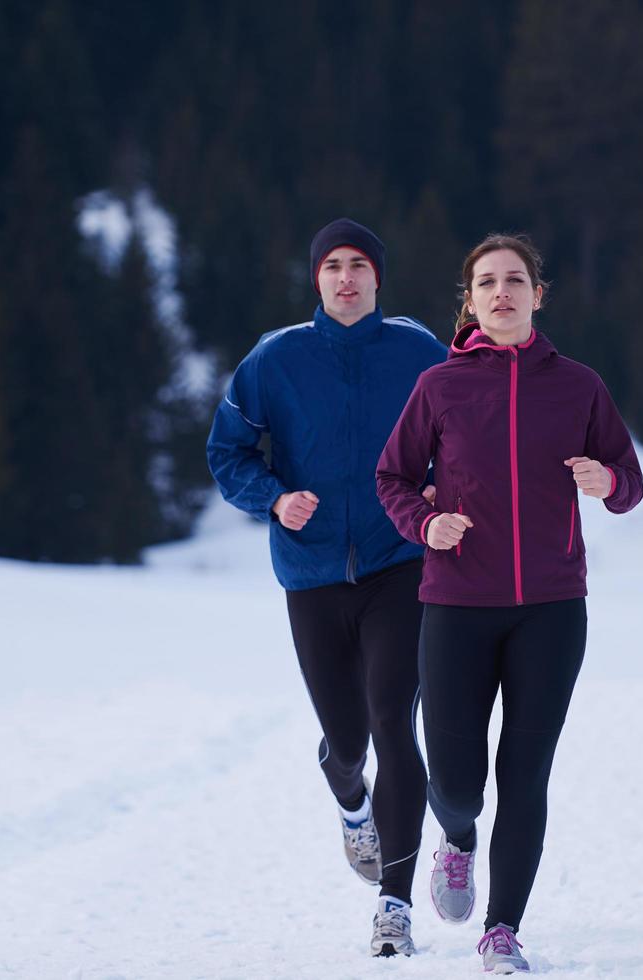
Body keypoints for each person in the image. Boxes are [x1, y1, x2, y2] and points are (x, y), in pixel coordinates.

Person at [376, 233, 643, 974]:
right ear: (468, 301)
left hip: (552, 608)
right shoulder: (440, 386)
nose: (502, 292)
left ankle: (502, 930)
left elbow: (628, 478)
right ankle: (456, 840)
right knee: (457, 782)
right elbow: (392, 478)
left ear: (537, 294)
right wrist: (426, 524)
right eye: (487, 282)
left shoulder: (579, 385)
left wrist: (607, 482)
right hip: (456, 603)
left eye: (515, 280)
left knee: (525, 772)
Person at [206, 218, 446, 957]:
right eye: (332, 266)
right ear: (315, 278)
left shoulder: (417, 351)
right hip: (310, 573)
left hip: (399, 563)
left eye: (359, 266)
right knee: (347, 743)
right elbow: (228, 450)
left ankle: (394, 907)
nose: (346, 277)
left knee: (391, 725)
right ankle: (349, 799)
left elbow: (458, 436)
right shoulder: (275, 359)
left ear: (378, 278)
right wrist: (275, 499)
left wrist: (437, 495)